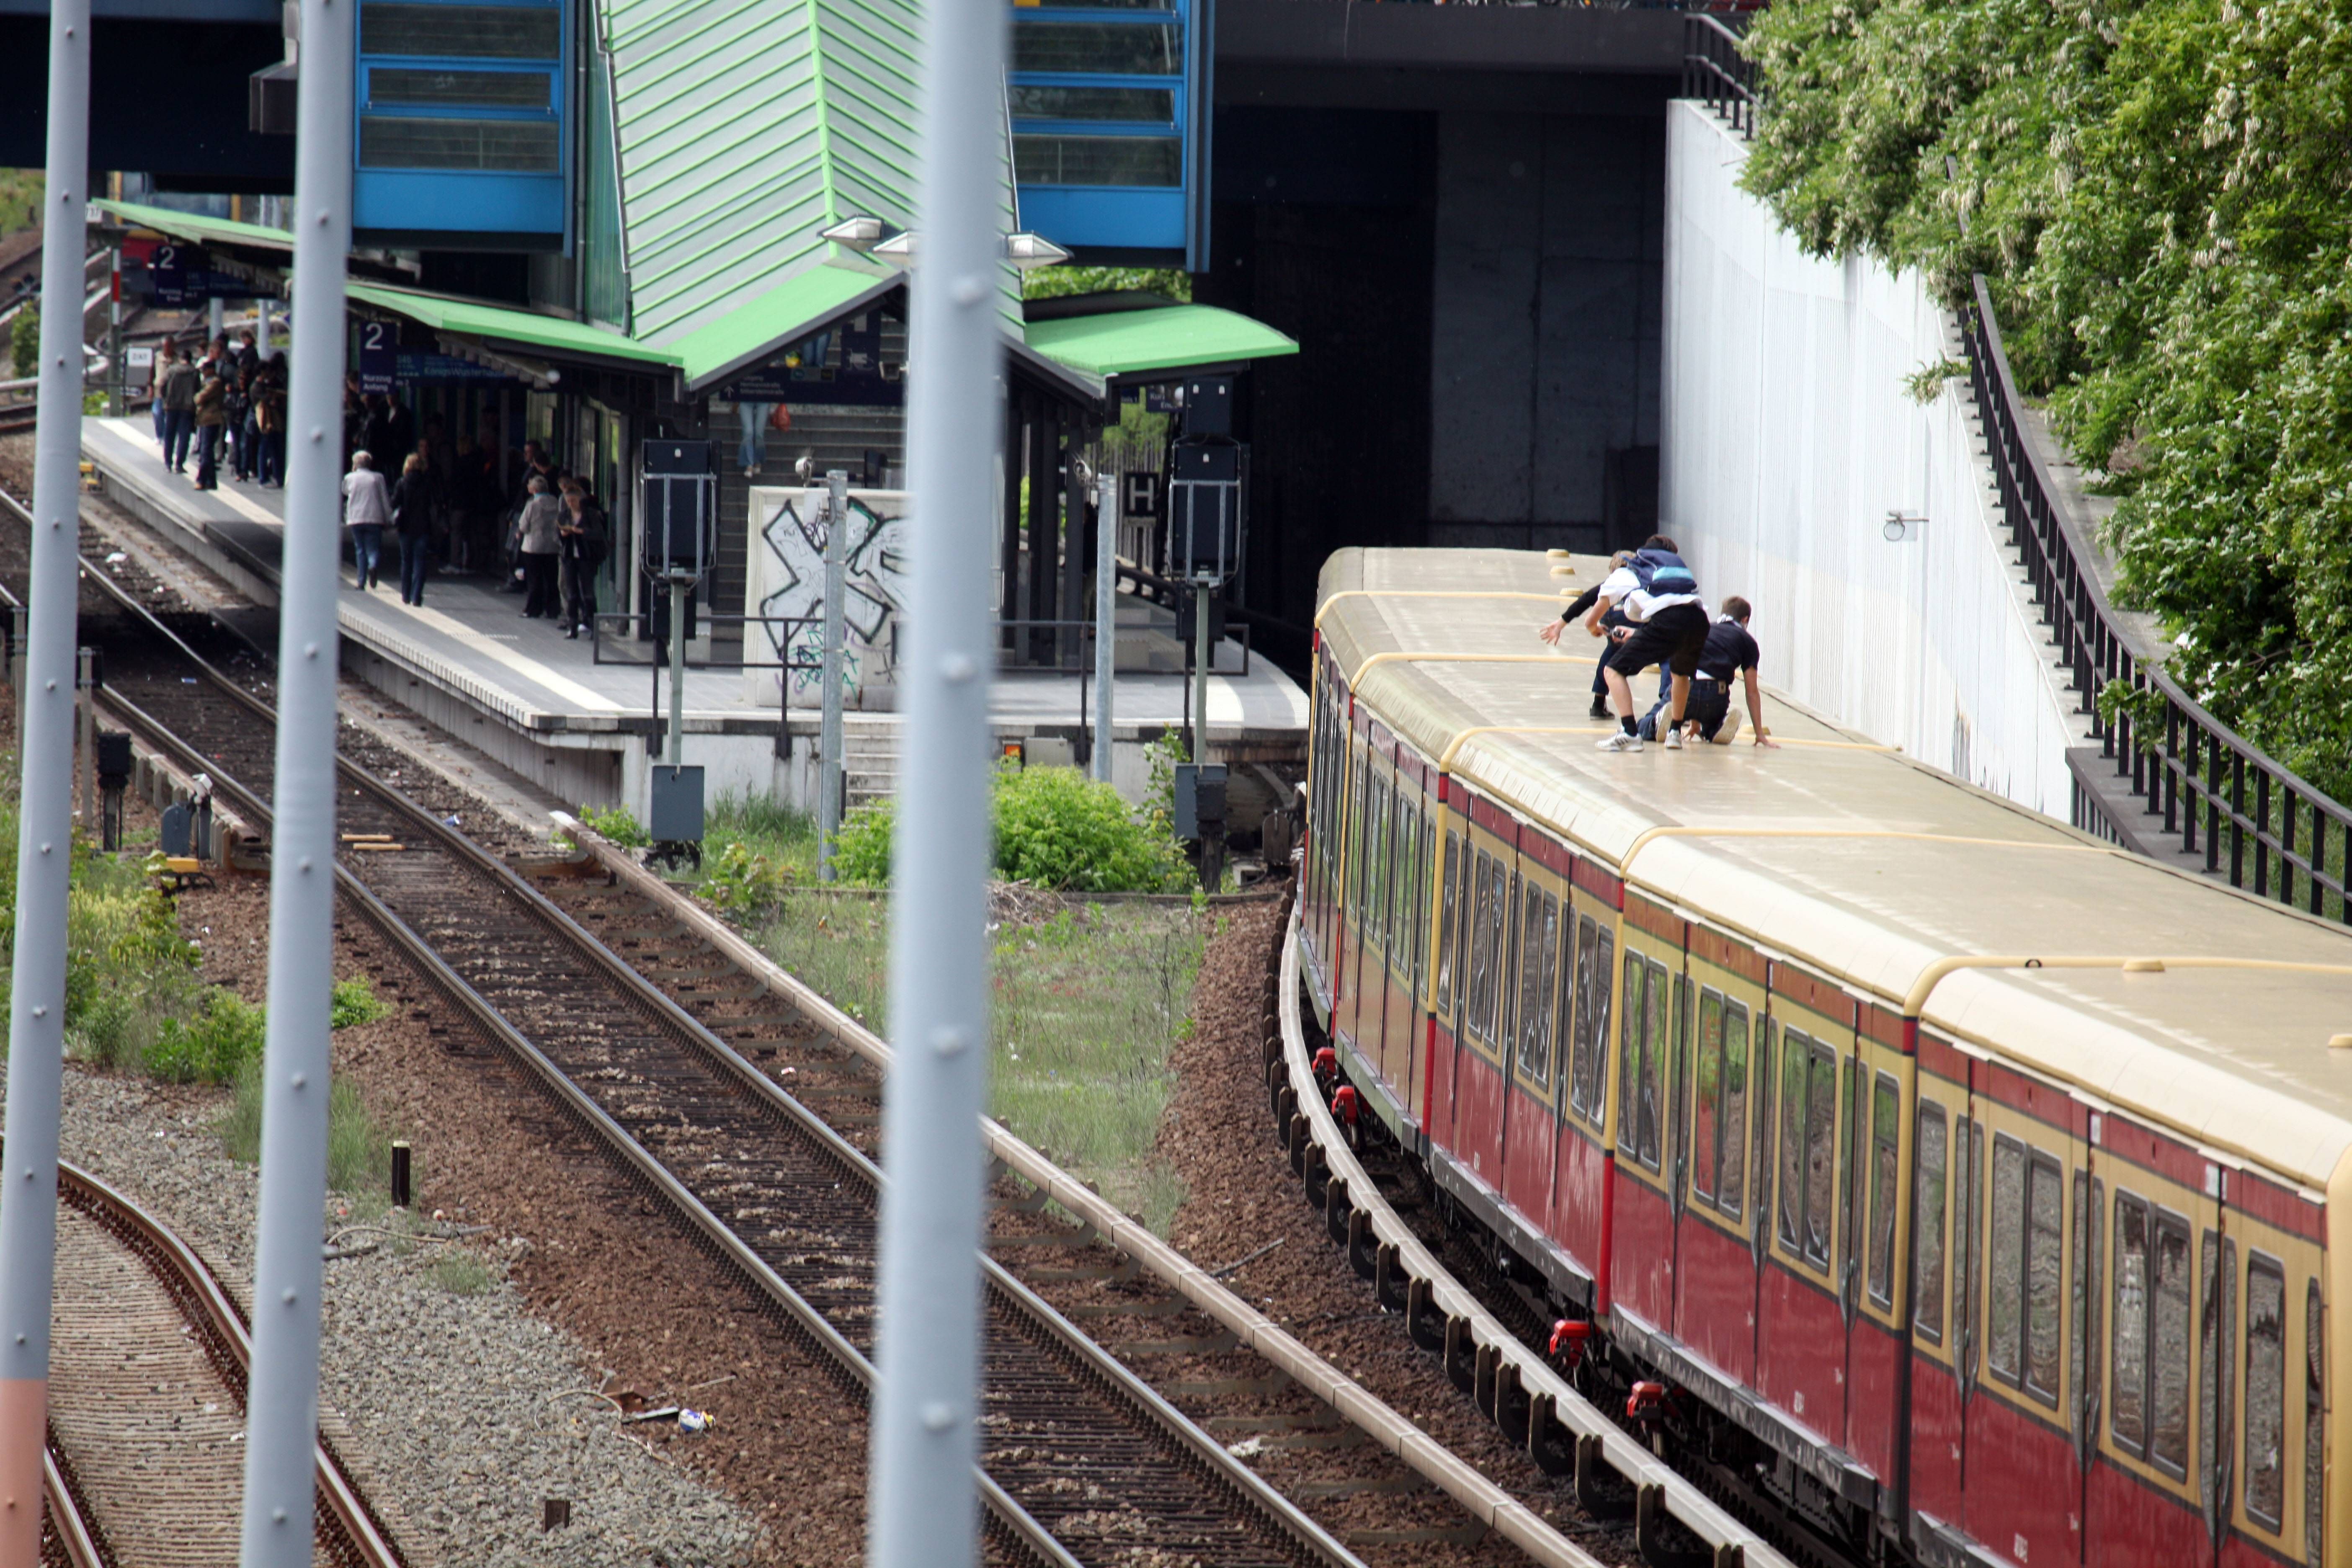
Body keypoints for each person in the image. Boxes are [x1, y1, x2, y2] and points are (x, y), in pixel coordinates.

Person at [1541, 536, 1709, 753]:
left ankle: (1630, 733)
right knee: (1680, 674)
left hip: (1667, 622)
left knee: (1613, 670)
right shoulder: (1672, 571)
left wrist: (1592, 629)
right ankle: (1675, 733)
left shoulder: (1628, 571)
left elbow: (1591, 617)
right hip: (1699, 620)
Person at [1640, 596, 1778, 748]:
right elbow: (1752, 691)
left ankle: (1657, 723)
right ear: (1745, 619)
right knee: (1712, 721)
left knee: (1642, 725)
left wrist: (1693, 722)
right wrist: (1760, 734)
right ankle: (1716, 728)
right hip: (1716, 696)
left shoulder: (1702, 630)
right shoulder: (1748, 642)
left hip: (1686, 690)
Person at [557, 479, 608, 639]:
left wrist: (581, 532)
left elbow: (599, 534)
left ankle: (593, 626)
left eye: (573, 500)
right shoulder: (564, 515)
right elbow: (557, 534)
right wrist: (564, 534)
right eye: (568, 501)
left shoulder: (591, 515)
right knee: (572, 593)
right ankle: (573, 627)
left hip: (587, 557)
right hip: (570, 557)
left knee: (588, 594)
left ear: (580, 500)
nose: (570, 504)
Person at [515, 473, 563, 618]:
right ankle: (553, 609)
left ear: (534, 489)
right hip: (552, 546)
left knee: (535, 579)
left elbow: (523, 525)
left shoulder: (532, 505)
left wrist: (519, 533)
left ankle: (533, 609)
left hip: (533, 546)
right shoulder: (555, 502)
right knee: (551, 578)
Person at [342, 450, 392, 590]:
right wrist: (388, 518)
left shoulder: (349, 478)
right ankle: (373, 565)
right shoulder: (378, 478)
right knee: (373, 548)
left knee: (360, 549)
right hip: (374, 518)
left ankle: (361, 581)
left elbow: (344, 492)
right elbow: (384, 499)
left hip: (356, 518)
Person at [391, 451, 434, 605]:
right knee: (420, 562)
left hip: (406, 528)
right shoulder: (428, 483)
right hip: (423, 527)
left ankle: (405, 595)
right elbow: (432, 504)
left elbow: (394, 503)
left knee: (406, 561)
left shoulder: (402, 483)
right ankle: (417, 596)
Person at [157, 348, 199, 473]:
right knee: (184, 436)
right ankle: (180, 464)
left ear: (181, 359)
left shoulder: (171, 371)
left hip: (171, 406)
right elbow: (197, 390)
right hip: (188, 408)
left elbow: (163, 386)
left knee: (169, 435)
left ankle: (168, 463)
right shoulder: (195, 372)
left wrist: (166, 400)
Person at [191, 364, 228, 490]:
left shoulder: (216, 382)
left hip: (212, 419)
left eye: (205, 370)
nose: (203, 373)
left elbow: (200, 397)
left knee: (206, 450)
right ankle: (212, 481)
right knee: (208, 451)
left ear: (212, 370)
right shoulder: (206, 382)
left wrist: (197, 397)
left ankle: (201, 479)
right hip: (205, 420)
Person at [254, 356, 288, 487]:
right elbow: (268, 401)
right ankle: (264, 477)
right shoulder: (258, 388)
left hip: (272, 424)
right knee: (266, 450)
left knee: (275, 451)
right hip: (266, 423)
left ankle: (278, 477)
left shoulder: (265, 386)